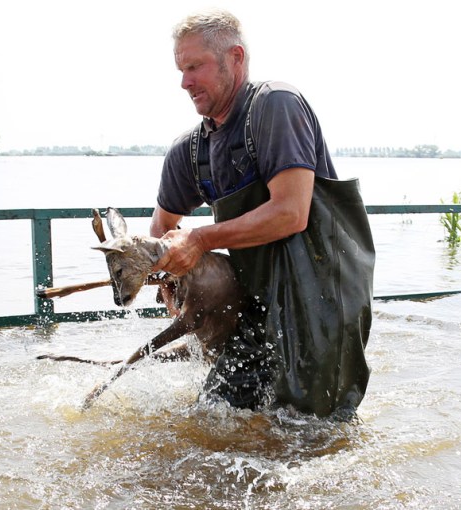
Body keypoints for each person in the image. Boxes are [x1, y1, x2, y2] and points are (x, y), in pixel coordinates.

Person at [151, 9, 375, 420]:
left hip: (320, 304)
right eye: (180, 70)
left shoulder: (275, 106)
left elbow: (291, 213)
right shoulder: (190, 152)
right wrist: (174, 290)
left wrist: (200, 239)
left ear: (235, 58)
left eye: (195, 66)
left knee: (315, 433)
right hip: (252, 311)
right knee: (215, 420)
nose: (185, 82)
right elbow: (161, 229)